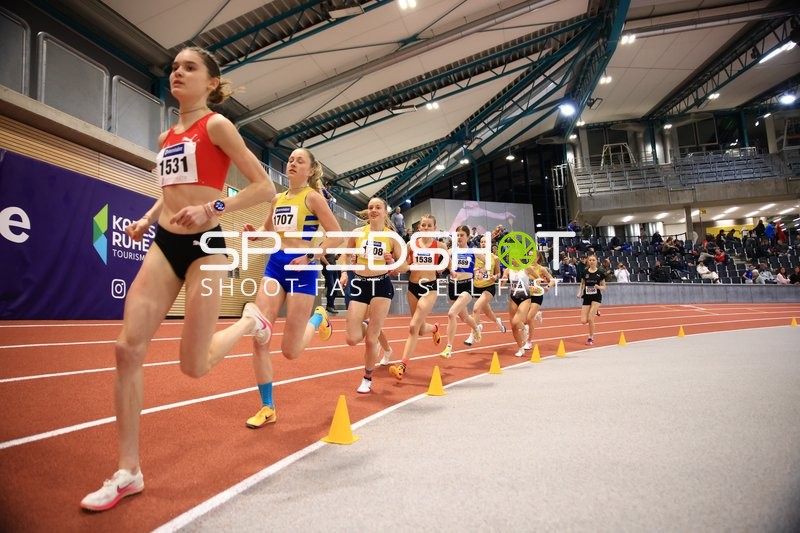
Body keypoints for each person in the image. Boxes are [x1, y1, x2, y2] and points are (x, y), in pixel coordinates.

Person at [80, 47, 277, 511]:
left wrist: (213, 208)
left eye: (190, 67)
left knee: (193, 366)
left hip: (207, 247)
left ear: (211, 82)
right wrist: (149, 219)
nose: (177, 73)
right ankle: (129, 471)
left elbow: (262, 187)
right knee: (127, 348)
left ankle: (251, 322)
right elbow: (169, 192)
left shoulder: (217, 126)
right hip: (164, 245)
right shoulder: (167, 134)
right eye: (174, 67)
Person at [242, 147, 343, 429]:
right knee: (260, 335)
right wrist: (255, 235)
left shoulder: (313, 197)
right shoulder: (276, 199)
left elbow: (337, 236)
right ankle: (267, 407)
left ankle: (319, 318)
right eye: (290, 160)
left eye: (300, 161)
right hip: (276, 265)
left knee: (290, 351)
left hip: (303, 268)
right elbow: (268, 232)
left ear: (310, 170)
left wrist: (311, 255)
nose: (293, 163)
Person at [341, 197, 401, 394]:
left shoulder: (392, 237)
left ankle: (367, 378)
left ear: (385, 212)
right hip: (359, 284)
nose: (373, 210)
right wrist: (343, 271)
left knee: (370, 340)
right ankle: (367, 325)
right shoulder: (358, 233)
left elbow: (403, 266)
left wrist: (392, 262)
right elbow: (345, 255)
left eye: (378, 207)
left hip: (381, 286)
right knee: (352, 338)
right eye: (370, 207)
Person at [388, 214, 443, 380]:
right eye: (423, 225)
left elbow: (447, 264)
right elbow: (403, 265)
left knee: (413, 326)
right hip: (413, 287)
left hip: (430, 288)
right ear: (419, 228)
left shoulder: (439, 246)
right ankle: (434, 328)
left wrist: (446, 269)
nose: (425, 228)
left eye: (429, 226)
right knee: (419, 330)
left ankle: (402, 366)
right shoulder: (410, 245)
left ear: (434, 228)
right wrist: (397, 267)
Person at [439, 225, 482, 358]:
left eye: (462, 235)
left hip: (467, 286)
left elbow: (489, 262)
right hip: (453, 286)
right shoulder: (451, 251)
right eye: (457, 235)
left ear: (468, 237)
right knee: (464, 317)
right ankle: (476, 327)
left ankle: (448, 348)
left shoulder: (473, 251)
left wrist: (481, 271)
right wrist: (442, 269)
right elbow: (445, 265)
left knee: (452, 314)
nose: (459, 237)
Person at [468, 234, 506, 345]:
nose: (483, 243)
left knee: (475, 309)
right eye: (482, 242)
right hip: (476, 287)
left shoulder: (495, 258)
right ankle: (497, 321)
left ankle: (473, 334)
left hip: (489, 287)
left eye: (486, 242)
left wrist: (496, 276)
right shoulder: (476, 256)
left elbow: (499, 273)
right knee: (488, 312)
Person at [577, 255, 606, 345]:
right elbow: (582, 284)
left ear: (596, 261)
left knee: (590, 318)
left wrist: (598, 287)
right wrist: (579, 292)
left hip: (596, 297)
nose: (591, 261)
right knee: (583, 321)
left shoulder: (600, 273)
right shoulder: (584, 272)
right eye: (590, 260)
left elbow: (604, 287)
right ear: (588, 261)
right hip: (587, 296)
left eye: (593, 260)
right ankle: (596, 311)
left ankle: (591, 337)